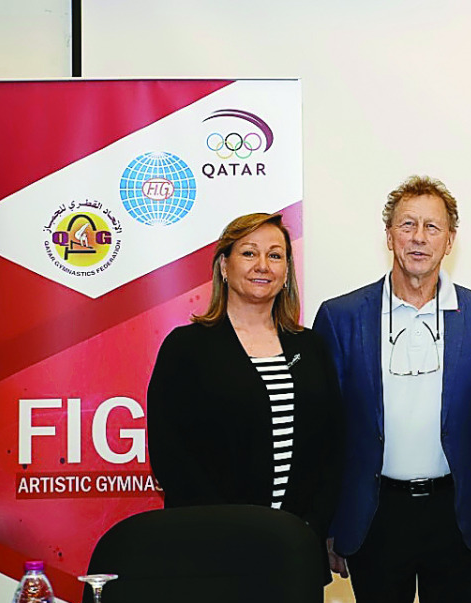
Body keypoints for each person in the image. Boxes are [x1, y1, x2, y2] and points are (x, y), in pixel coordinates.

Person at [313, 176, 471, 603]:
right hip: (376, 514)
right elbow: (326, 432)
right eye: (407, 225)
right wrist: (329, 525)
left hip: (459, 515)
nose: (419, 238)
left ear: (450, 241)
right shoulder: (341, 317)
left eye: (432, 227)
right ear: (388, 236)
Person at [147, 212, 343, 543]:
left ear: (286, 272)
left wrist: (313, 525)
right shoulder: (186, 348)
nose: (263, 265)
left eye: (275, 255)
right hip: (214, 546)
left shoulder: (311, 347)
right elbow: (172, 456)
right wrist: (229, 530)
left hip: (297, 544)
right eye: (249, 253)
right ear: (224, 266)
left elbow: (332, 445)